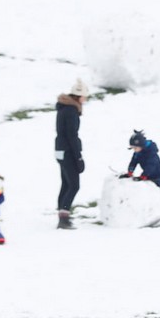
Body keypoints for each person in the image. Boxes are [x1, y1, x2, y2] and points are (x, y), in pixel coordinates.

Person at [119, 130, 160, 226]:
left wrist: (144, 176)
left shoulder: (152, 153)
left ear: (141, 145)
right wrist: (130, 172)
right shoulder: (138, 152)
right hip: (148, 177)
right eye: (132, 148)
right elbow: (133, 161)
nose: (134, 150)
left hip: (159, 178)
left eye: (135, 148)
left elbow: (152, 166)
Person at [54, 79, 88, 230]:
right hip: (68, 151)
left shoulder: (64, 108)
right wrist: (78, 157)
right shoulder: (71, 111)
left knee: (66, 183)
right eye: (84, 97)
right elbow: (72, 136)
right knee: (74, 185)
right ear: (79, 97)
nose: (85, 100)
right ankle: (64, 218)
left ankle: (62, 213)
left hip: (59, 149)